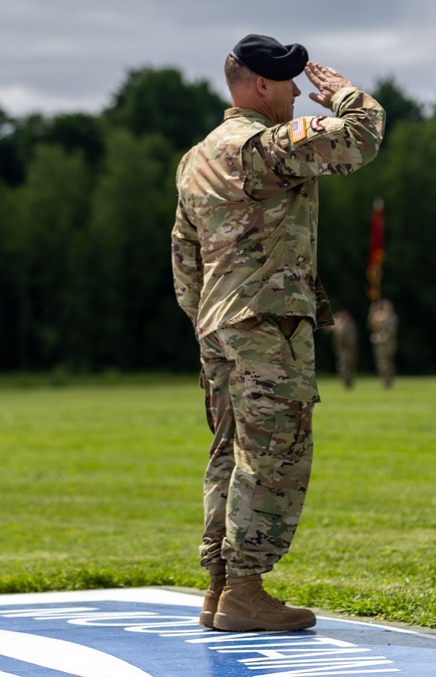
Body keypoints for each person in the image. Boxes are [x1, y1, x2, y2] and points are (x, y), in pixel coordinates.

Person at [171, 34, 385, 633]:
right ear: (259, 87)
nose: (297, 91)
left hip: (217, 326)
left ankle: (220, 587)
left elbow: (183, 256)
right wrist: (345, 95)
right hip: (266, 324)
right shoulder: (263, 146)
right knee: (275, 456)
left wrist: (208, 319)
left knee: (229, 456)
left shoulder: (196, 158)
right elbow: (361, 136)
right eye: (288, 82)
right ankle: (245, 591)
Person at [369, 298, 398, 389]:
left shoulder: (391, 318)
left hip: (388, 345)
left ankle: (387, 383)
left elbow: (390, 333)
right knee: (381, 364)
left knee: (386, 364)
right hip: (381, 345)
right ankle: (385, 382)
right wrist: (372, 313)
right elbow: (372, 325)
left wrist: (379, 338)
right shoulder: (381, 317)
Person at [331, 309, 358, 390]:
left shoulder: (350, 325)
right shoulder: (340, 325)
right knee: (343, 367)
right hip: (341, 350)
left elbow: (352, 339)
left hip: (348, 349)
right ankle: (345, 384)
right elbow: (328, 329)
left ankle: (348, 384)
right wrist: (334, 321)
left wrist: (350, 350)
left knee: (347, 367)